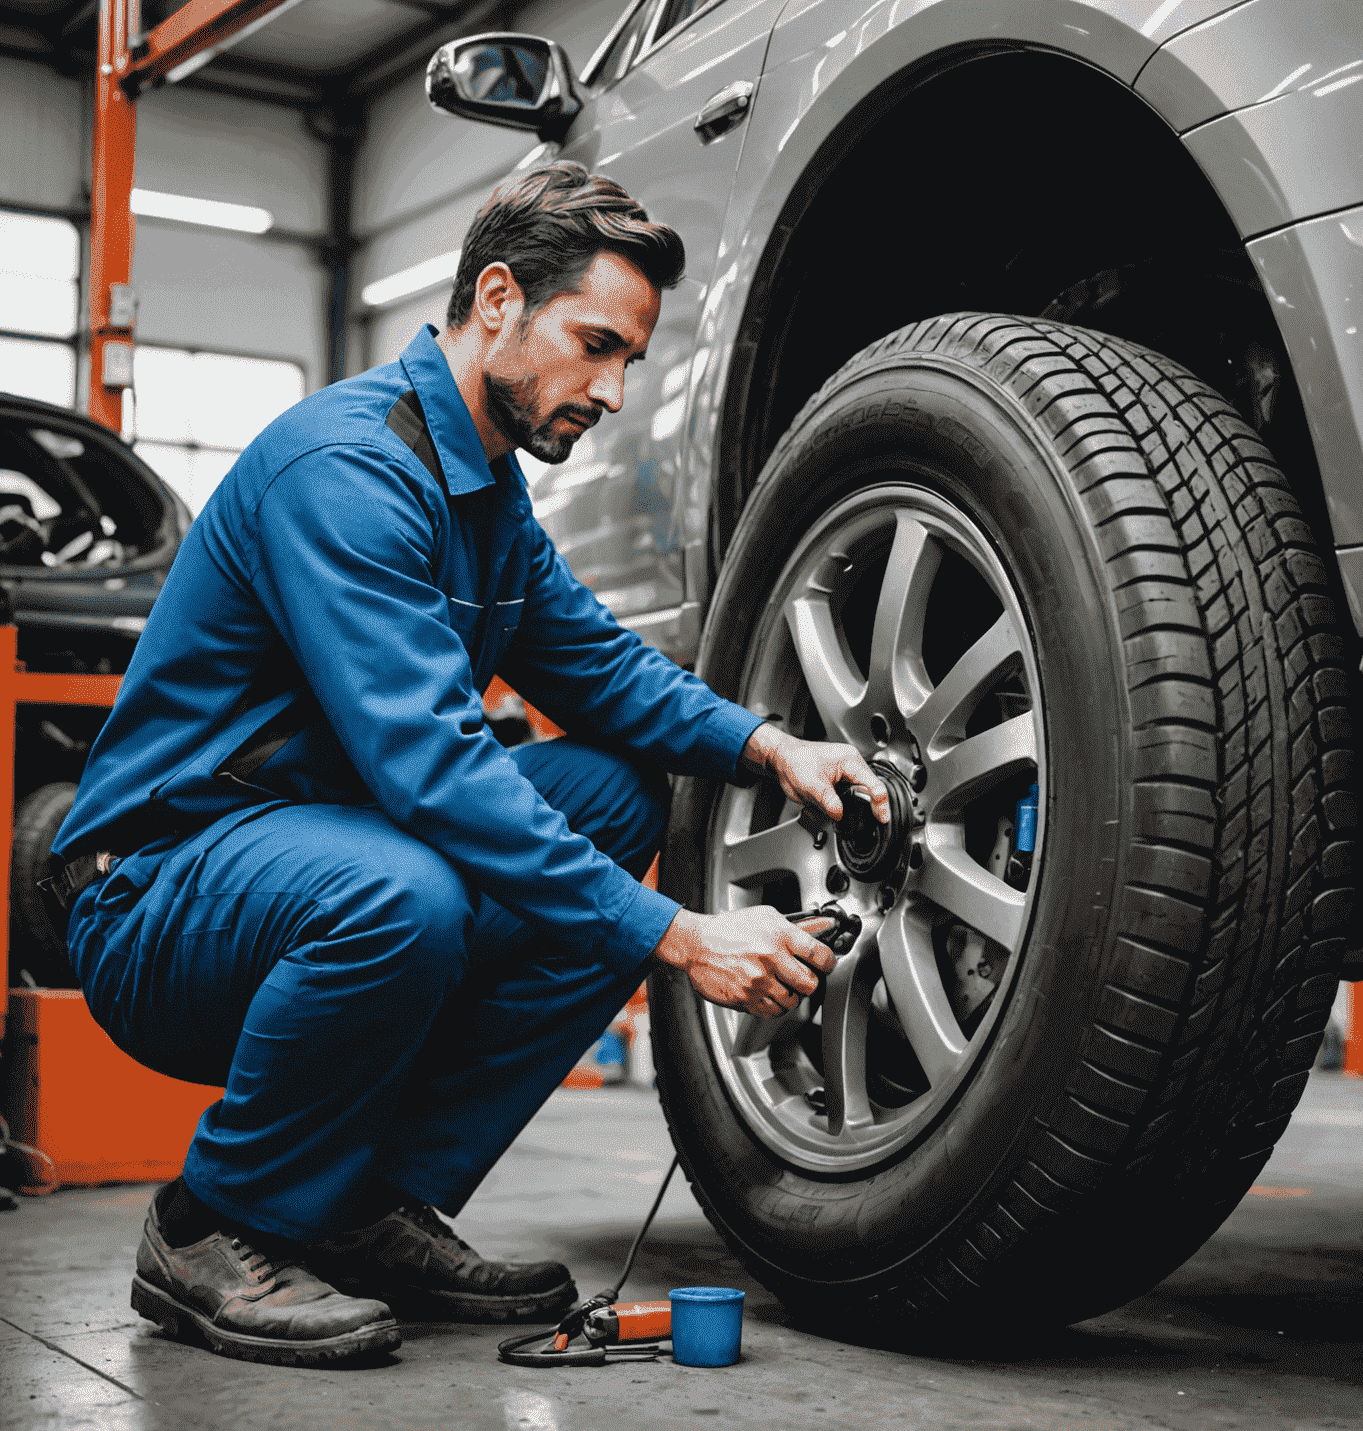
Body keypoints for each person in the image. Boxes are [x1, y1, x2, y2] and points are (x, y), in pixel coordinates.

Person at [49, 163, 887, 1369]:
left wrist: (770, 745)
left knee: (609, 799)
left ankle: (360, 1208)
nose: (608, 390)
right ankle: (211, 1223)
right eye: (594, 344)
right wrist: (684, 938)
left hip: (311, 849)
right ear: (498, 298)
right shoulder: (342, 472)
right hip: (159, 895)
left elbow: (597, 668)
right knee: (405, 894)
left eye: (629, 364)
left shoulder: (485, 495)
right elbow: (433, 768)